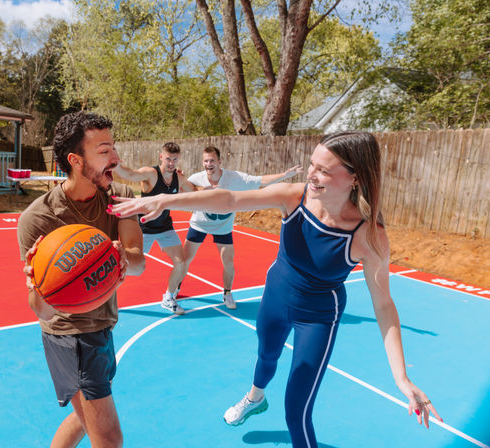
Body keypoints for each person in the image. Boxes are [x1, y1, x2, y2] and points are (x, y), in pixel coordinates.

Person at [108, 131, 442, 447]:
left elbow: (384, 305)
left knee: (297, 412)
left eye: (323, 170)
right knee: (266, 357)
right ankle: (255, 398)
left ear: (355, 177)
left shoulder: (368, 235)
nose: (311, 174)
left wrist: (401, 377)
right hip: (276, 295)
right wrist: (168, 199)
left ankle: (269, 404)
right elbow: (231, 198)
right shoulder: (295, 196)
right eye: (312, 164)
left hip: (318, 315)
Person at [18, 111, 146, 448]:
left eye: (113, 148)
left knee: (82, 417)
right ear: (76, 160)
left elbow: (138, 263)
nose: (116, 158)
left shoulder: (120, 198)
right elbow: (41, 311)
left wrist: (117, 255)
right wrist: (38, 286)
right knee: (109, 439)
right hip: (68, 336)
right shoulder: (39, 217)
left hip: (103, 325)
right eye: (104, 151)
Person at [181, 146, 302, 309]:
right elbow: (182, 191)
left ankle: (227, 293)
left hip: (223, 227)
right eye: (206, 161)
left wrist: (285, 175)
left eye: (212, 160)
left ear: (219, 162)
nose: (209, 164)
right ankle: (175, 288)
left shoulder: (235, 178)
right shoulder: (196, 178)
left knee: (228, 262)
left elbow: (260, 180)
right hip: (200, 224)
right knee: (185, 260)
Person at [114, 142, 195, 315]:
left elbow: (194, 191)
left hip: (165, 227)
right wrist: (118, 166)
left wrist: (211, 187)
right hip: (144, 227)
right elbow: (131, 174)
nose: (171, 163)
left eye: (175, 159)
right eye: (168, 159)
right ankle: (107, 294)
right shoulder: (151, 174)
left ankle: (168, 298)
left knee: (181, 263)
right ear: (161, 157)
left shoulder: (178, 178)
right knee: (128, 266)